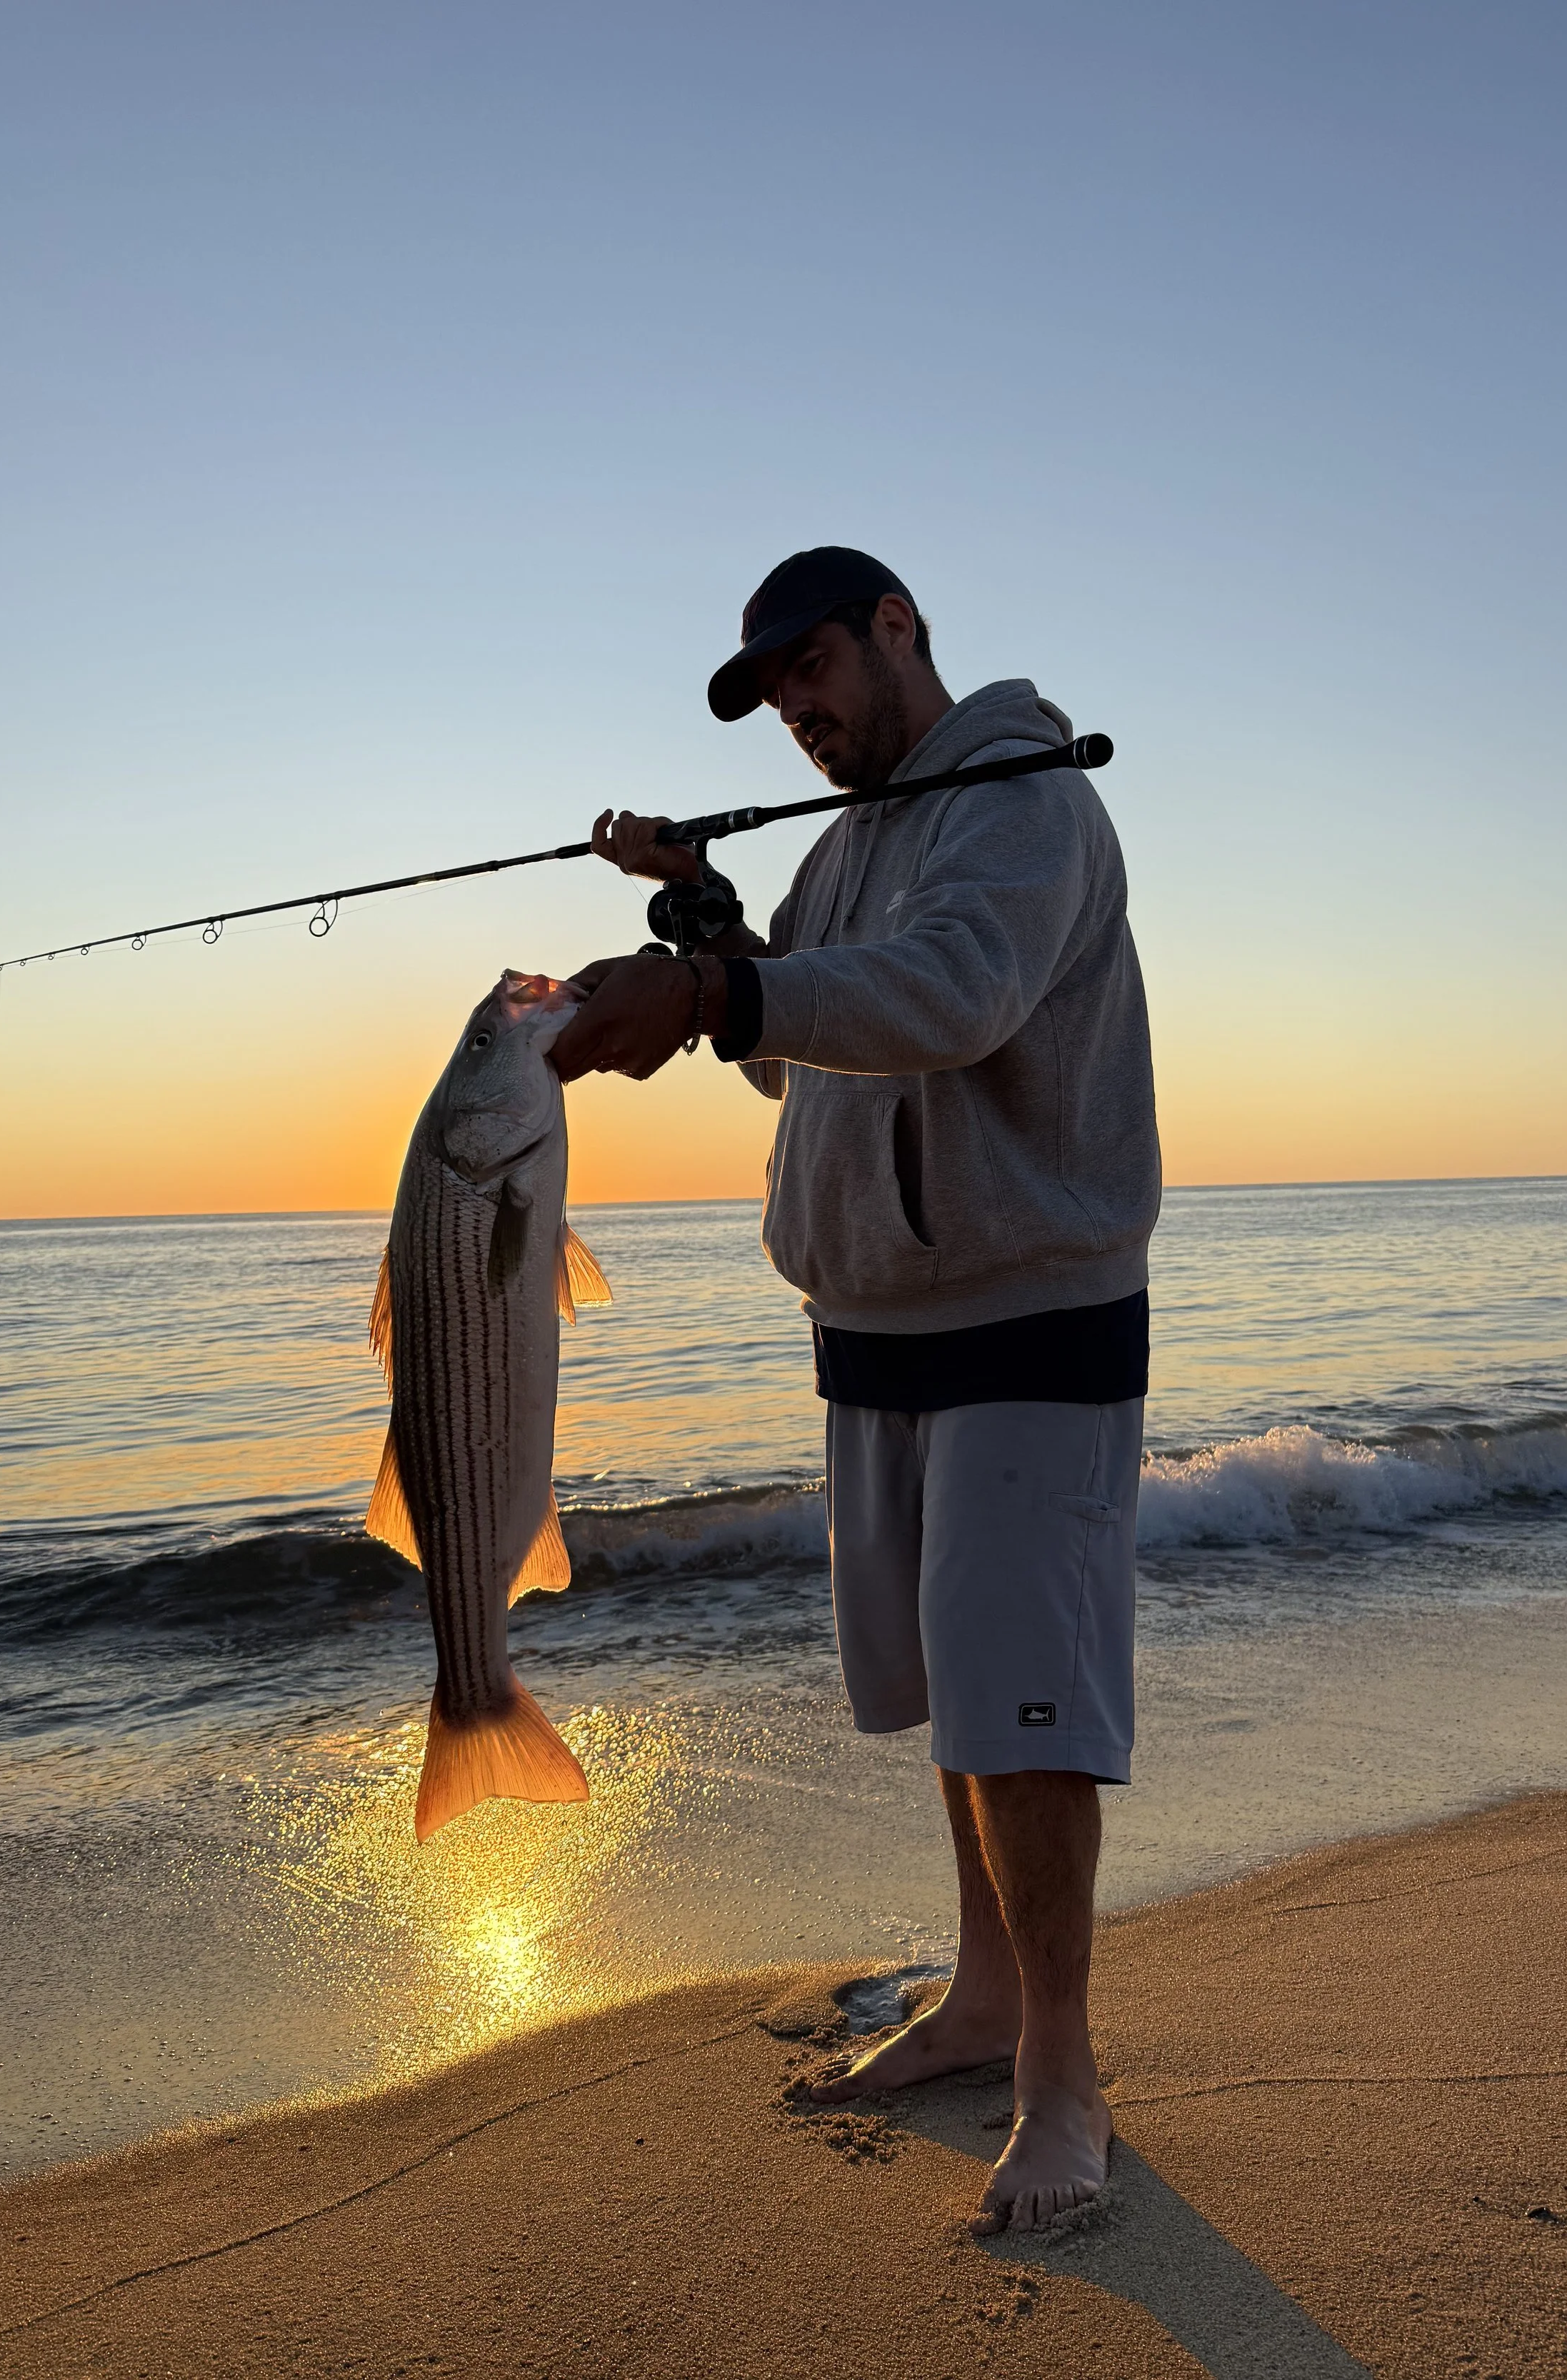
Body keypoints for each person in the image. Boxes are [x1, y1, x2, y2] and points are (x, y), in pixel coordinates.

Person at [551, 547, 1160, 2232]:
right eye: (774, 701)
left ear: (896, 629)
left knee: (1022, 1713)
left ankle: (1062, 2072)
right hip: (871, 1328)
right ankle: (976, 1999)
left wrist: (710, 984)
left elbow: (955, 995)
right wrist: (706, 925)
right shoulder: (843, 848)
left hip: (1028, 1317)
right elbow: (778, 1049)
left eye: (812, 670)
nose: (800, 717)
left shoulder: (1020, 798)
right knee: (957, 1701)